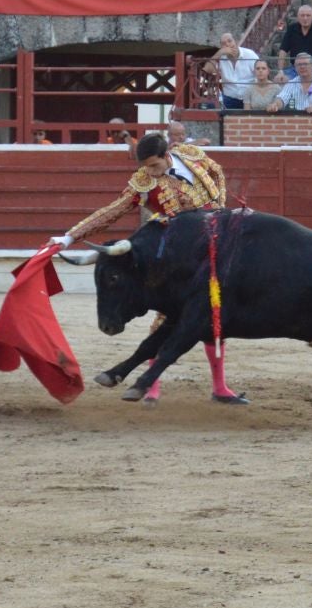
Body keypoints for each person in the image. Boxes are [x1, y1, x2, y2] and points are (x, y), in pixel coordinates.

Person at [55, 131, 239, 404]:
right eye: (145, 168)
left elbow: (217, 171)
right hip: (177, 257)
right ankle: (152, 386)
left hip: (214, 250)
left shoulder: (191, 154)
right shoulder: (143, 183)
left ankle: (220, 388)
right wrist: (70, 237)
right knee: (167, 318)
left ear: (167, 156)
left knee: (214, 316)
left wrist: (221, 210)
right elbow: (112, 211)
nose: (150, 173)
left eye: (154, 166)